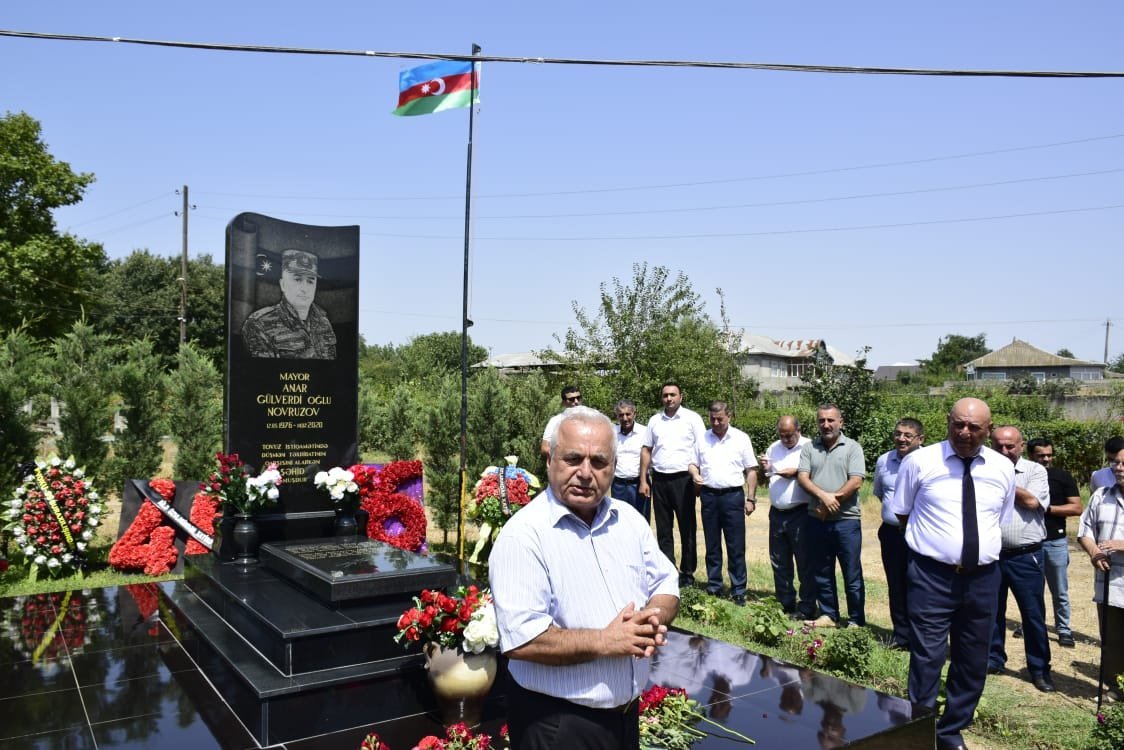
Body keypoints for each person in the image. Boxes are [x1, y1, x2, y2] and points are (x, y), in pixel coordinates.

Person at [490, 406, 679, 749]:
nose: (585, 473)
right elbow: (522, 639)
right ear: (550, 460)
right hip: (557, 725)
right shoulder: (524, 536)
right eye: (573, 459)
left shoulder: (630, 520)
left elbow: (666, 582)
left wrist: (650, 620)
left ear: (614, 466)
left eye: (599, 462)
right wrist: (607, 641)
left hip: (624, 719)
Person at [888, 397, 1016, 750]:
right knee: (927, 656)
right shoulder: (919, 462)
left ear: (988, 430)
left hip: (983, 578)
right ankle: (919, 730)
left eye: (974, 427)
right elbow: (903, 513)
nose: (964, 432)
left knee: (973, 659)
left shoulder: (1002, 468)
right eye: (958, 424)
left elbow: (998, 520)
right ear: (948, 421)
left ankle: (950, 732)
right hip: (932, 576)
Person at [987, 426, 1054, 692]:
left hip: (1026, 556)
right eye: (998, 447)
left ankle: (1039, 669)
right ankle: (993, 659)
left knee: (1033, 614)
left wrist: (1001, 478)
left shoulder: (1035, 471)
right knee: (991, 612)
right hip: (992, 555)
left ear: (1022, 445)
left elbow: (1030, 502)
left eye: (1010, 446)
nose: (1004, 451)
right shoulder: (982, 470)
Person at [797, 403, 866, 628]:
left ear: (840, 422)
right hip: (816, 521)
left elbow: (856, 481)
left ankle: (856, 619)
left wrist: (828, 504)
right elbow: (803, 477)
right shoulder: (809, 448)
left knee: (851, 573)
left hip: (846, 521)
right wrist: (823, 496)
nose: (826, 425)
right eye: (821, 421)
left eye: (831, 420)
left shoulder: (853, 447)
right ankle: (829, 615)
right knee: (822, 571)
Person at [688, 401, 758, 605]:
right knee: (712, 544)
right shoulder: (702, 438)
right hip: (709, 496)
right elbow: (693, 463)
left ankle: (738, 590)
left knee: (735, 545)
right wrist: (694, 474)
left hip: (733, 496)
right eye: (712, 419)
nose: (716, 423)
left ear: (729, 416)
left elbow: (751, 470)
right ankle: (714, 586)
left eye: (720, 419)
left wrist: (751, 498)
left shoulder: (741, 438)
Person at [639, 381, 707, 587]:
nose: (668, 398)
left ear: (681, 397)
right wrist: (644, 479)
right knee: (663, 529)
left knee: (687, 529)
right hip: (659, 479)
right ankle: (668, 573)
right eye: (665, 395)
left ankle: (687, 574)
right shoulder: (654, 421)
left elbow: (703, 449)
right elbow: (646, 450)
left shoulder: (692, 419)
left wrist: (698, 480)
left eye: (673, 395)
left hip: (684, 480)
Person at [871, 417, 925, 649]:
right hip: (892, 534)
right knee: (896, 584)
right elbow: (881, 493)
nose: (901, 438)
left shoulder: (929, 461)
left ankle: (922, 636)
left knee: (921, 585)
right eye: (898, 433)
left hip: (920, 534)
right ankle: (901, 635)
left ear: (920, 439)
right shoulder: (884, 460)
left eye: (907, 435)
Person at [1077, 444, 1124, 701]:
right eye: (1115, 462)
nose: (1119, 468)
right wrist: (1094, 552)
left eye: (1123, 463)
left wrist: (1121, 545)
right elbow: (1084, 530)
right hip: (1109, 582)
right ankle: (1115, 688)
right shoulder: (1101, 495)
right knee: (1112, 640)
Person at [1027, 437, 1083, 648]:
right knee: (1032, 589)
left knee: (1059, 589)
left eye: (1049, 455)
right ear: (1031, 455)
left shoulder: (1062, 477)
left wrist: (1046, 508)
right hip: (1030, 542)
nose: (1046, 459)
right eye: (1041, 455)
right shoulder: (1023, 476)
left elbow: (1077, 508)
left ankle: (1063, 629)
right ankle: (1032, 625)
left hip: (1055, 541)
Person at [761, 416, 814, 619]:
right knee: (779, 560)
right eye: (782, 435)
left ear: (798, 430)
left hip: (800, 512)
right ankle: (785, 602)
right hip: (777, 513)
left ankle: (807, 606)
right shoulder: (774, 447)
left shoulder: (809, 447)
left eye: (789, 435)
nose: (785, 439)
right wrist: (766, 468)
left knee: (804, 561)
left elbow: (816, 473)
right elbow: (768, 474)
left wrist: (797, 473)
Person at [242, 248, 337, 359]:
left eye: (310, 281)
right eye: (297, 279)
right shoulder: (259, 323)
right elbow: (266, 373)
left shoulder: (324, 321)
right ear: (282, 284)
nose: (304, 288)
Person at [611, 399, 650, 520]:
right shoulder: (611, 432)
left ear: (634, 414)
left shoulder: (645, 432)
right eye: (621, 415)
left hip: (639, 484)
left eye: (628, 414)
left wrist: (644, 482)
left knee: (641, 519)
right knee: (619, 520)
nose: (625, 418)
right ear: (617, 416)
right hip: (618, 484)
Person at [540, 385, 583, 460]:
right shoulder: (555, 421)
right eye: (572, 399)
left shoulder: (590, 419)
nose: (576, 402)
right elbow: (544, 448)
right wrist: (567, 456)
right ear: (563, 402)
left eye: (578, 398)